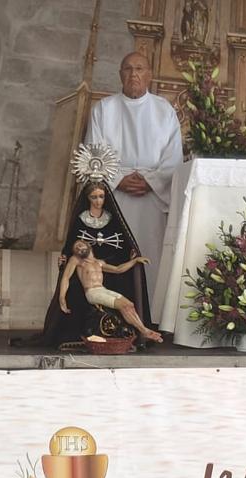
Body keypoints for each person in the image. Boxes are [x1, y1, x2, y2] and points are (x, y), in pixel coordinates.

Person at [85, 51, 183, 297]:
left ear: (149, 74)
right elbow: (93, 152)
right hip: (114, 196)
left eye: (139, 69)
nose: (134, 74)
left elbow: (174, 158)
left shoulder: (164, 110)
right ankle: (111, 310)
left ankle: (149, 310)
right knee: (113, 253)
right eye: (128, 69)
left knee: (151, 255)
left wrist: (151, 181)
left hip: (152, 199)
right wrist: (118, 179)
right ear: (120, 74)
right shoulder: (104, 109)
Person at [23, 180, 153, 349]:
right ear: (88, 198)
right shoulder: (80, 222)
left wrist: (133, 255)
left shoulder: (112, 218)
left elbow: (124, 242)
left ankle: (131, 333)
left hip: (108, 262)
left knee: (126, 295)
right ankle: (78, 334)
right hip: (86, 270)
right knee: (82, 292)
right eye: (94, 197)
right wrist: (64, 257)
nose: (98, 201)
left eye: (101, 196)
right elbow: (71, 244)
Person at [60, 240, 163, 343]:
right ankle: (144, 331)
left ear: (88, 245)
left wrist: (135, 261)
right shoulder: (76, 260)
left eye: (79, 245)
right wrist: (62, 297)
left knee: (129, 304)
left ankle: (144, 330)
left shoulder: (99, 262)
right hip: (92, 292)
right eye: (76, 249)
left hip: (102, 289)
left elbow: (118, 269)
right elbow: (65, 278)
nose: (78, 249)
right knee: (123, 306)